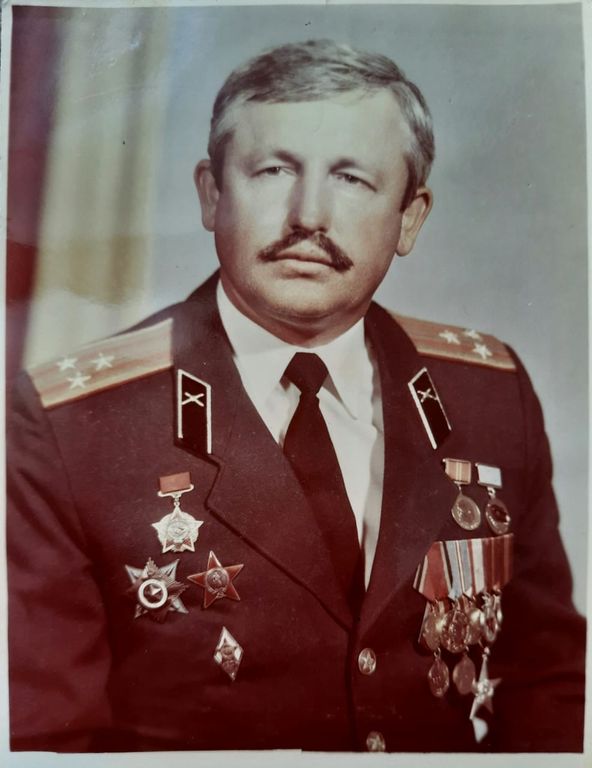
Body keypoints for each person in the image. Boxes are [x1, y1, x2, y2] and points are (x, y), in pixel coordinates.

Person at [7, 39, 585, 754]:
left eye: (352, 178)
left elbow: (552, 689)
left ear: (409, 218)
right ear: (212, 194)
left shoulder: (489, 396)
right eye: (274, 170)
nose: (309, 215)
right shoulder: (74, 425)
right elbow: (46, 745)